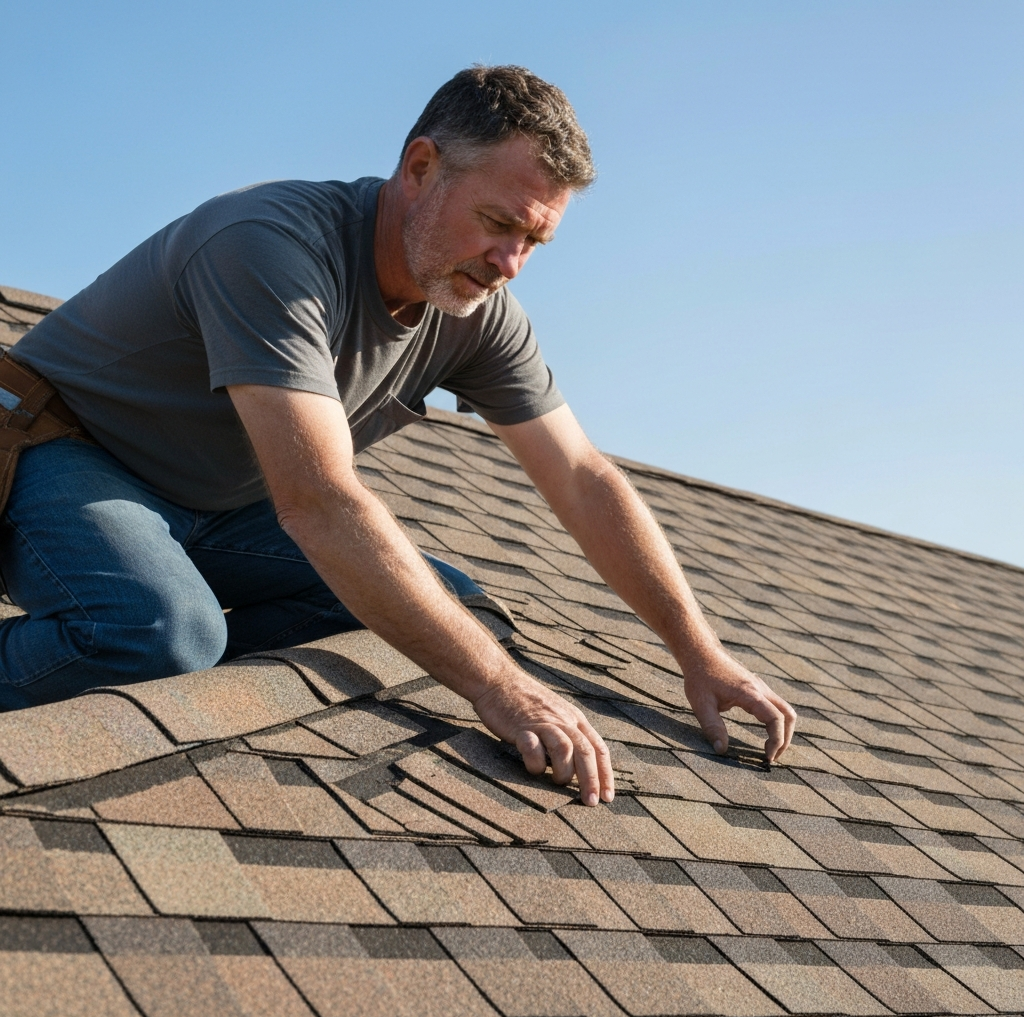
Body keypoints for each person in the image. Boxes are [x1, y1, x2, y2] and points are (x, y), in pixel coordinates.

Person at [2, 65, 795, 804]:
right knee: (157, 634)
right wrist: (496, 688)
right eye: (498, 223)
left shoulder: (479, 317)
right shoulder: (271, 245)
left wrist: (700, 653)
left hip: (202, 511)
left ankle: (177, 658)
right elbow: (317, 499)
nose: (509, 262)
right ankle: (148, 640)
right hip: (58, 448)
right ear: (420, 168)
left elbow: (584, 478)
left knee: (455, 610)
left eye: (534, 243)